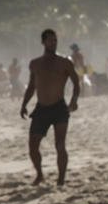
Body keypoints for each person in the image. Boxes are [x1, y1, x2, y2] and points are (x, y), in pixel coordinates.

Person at [22, 28, 81, 186]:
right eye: (50, 40)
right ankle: (40, 174)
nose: (53, 43)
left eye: (55, 40)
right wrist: (24, 104)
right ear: (43, 42)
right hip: (41, 108)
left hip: (59, 108)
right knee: (33, 146)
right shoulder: (35, 64)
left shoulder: (65, 62)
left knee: (60, 145)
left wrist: (74, 100)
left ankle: (61, 180)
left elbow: (76, 82)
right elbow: (31, 87)